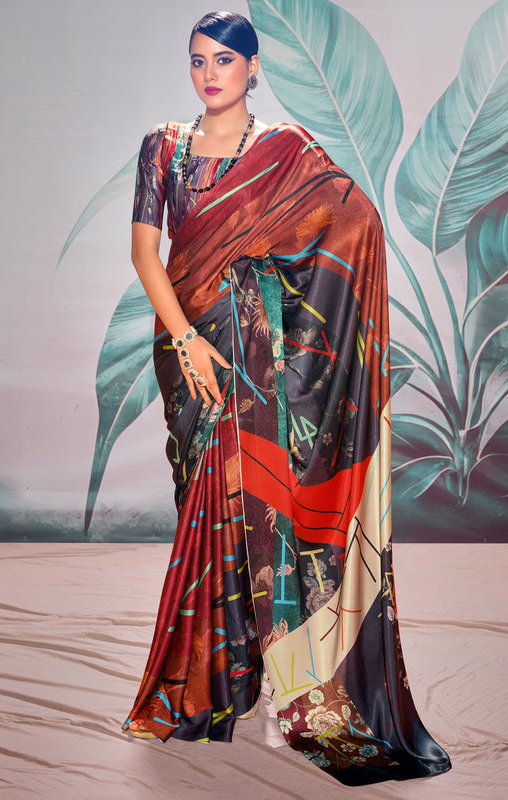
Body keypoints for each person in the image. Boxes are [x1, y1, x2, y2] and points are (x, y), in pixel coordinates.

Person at [122, 10, 451, 786]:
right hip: (188, 348)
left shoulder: (287, 149)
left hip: (255, 355)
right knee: (202, 504)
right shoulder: (162, 147)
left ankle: (282, 680)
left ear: (253, 68)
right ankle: (212, 684)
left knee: (258, 507)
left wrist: (268, 274)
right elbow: (144, 253)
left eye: (223, 60)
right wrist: (185, 338)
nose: (209, 74)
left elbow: (353, 223)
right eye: (197, 60)